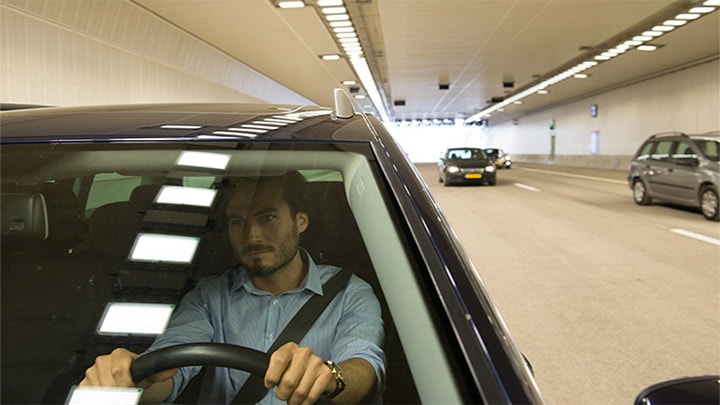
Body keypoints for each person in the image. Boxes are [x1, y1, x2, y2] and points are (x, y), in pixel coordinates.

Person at [80, 171, 386, 404]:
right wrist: (131, 382)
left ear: (300, 221)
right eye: (237, 222)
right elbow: (170, 369)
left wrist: (330, 377)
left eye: (267, 217)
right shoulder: (209, 296)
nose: (252, 235)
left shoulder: (350, 293)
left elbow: (364, 366)